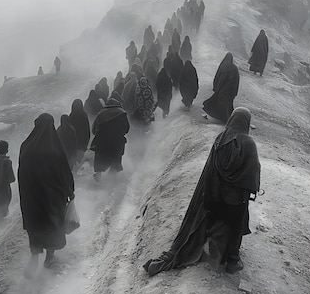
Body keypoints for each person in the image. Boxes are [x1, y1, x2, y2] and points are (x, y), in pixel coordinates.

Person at [143, 108, 260, 276]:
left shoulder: (220, 138)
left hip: (215, 195)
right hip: (235, 199)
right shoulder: (248, 143)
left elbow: (210, 169)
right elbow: (251, 172)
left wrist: (211, 193)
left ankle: (216, 251)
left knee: (218, 221)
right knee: (236, 224)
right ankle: (232, 260)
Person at [18, 114, 75, 278]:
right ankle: (49, 258)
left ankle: (35, 255)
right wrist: (70, 192)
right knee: (52, 225)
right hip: (52, 198)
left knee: (35, 226)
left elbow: (21, 174)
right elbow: (64, 172)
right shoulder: (54, 147)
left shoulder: (26, 146)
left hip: (30, 198)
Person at [90, 98, 130, 182]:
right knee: (115, 159)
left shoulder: (101, 114)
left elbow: (94, 130)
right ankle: (111, 179)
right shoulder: (122, 113)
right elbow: (126, 128)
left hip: (102, 143)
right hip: (117, 142)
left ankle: (98, 175)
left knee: (100, 159)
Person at [202, 53, 240, 123]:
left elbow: (218, 78)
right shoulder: (234, 68)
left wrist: (216, 88)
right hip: (230, 91)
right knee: (228, 105)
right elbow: (237, 80)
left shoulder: (223, 66)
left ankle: (227, 119)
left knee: (223, 104)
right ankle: (228, 119)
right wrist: (235, 92)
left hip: (222, 90)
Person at [69, 99, 90, 166]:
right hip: (82, 141)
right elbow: (87, 129)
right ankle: (76, 170)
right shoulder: (84, 115)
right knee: (79, 159)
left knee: (73, 158)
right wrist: (87, 141)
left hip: (73, 140)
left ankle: (74, 171)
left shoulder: (71, 116)